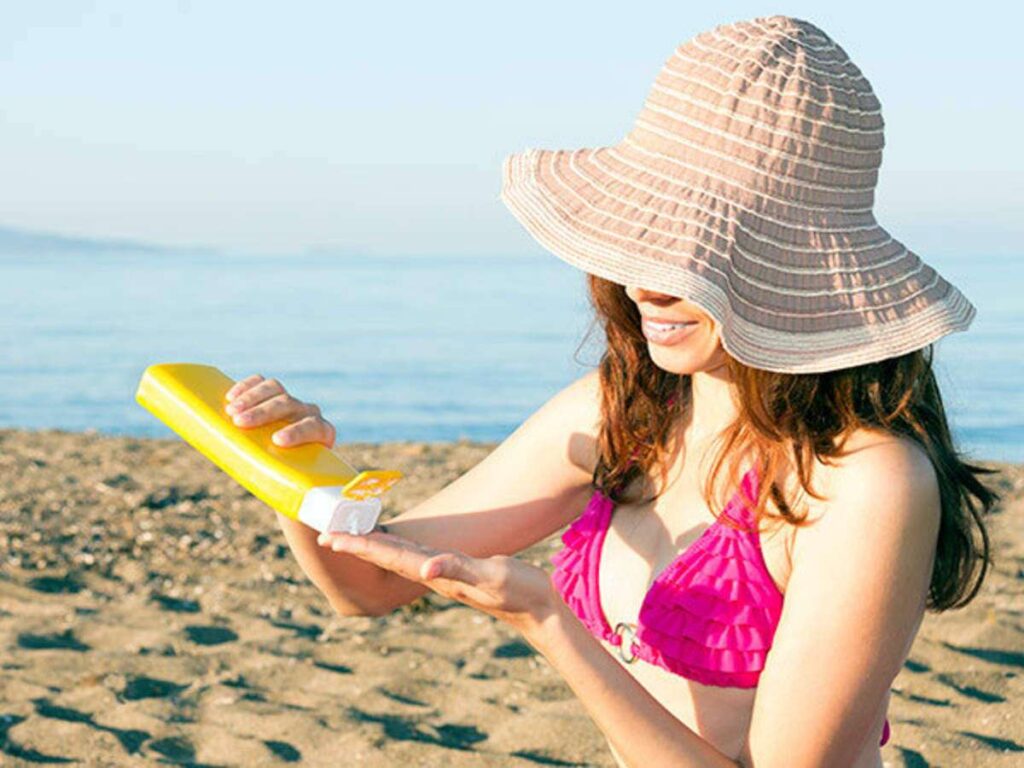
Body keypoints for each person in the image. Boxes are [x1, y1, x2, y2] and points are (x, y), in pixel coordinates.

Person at [219, 15, 1000, 768]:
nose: (644, 287)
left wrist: (550, 621)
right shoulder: (625, 414)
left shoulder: (864, 483)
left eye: (695, 254)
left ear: (789, 272)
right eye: (644, 238)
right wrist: (295, 475)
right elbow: (365, 586)